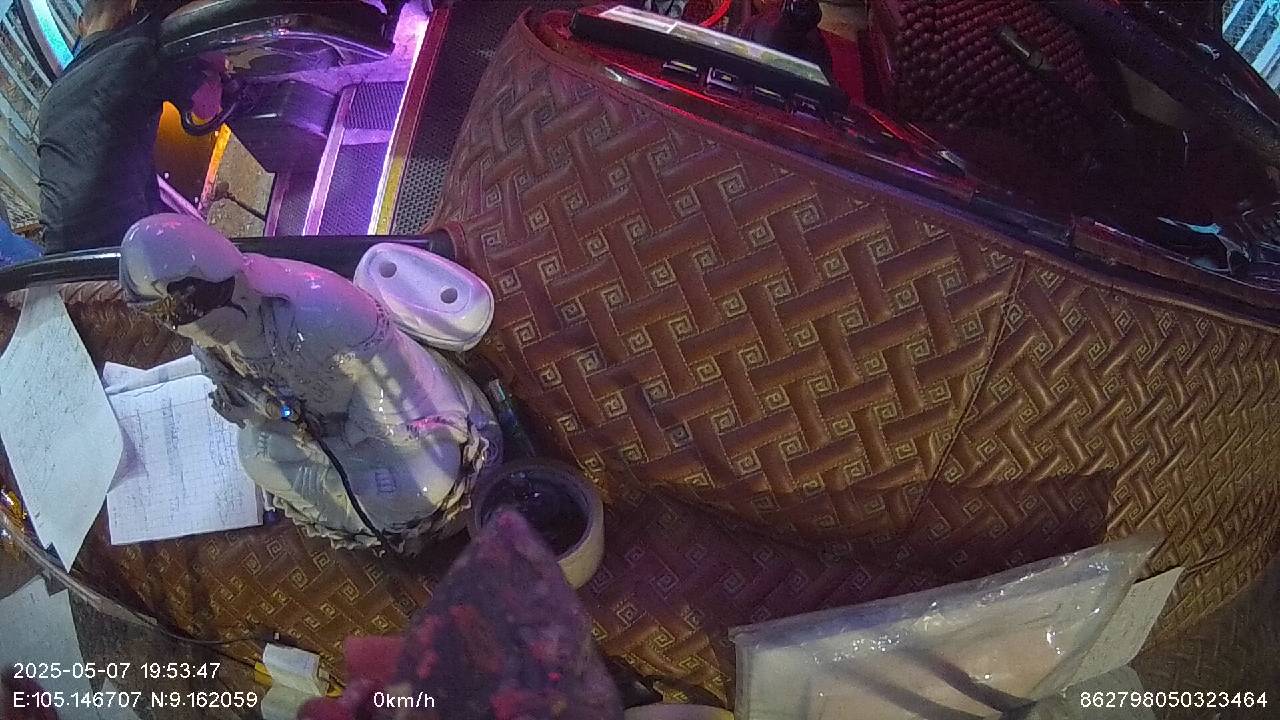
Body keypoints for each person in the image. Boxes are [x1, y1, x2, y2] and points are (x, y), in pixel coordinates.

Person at [36, 0, 218, 253]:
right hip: (125, 257)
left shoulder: (51, 98)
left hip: (62, 265)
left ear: (80, 25)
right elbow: (209, 107)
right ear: (133, 6)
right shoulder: (141, 49)